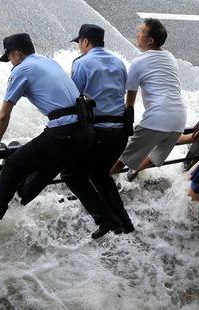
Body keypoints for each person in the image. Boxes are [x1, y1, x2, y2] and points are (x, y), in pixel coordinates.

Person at [0, 33, 93, 238]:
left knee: (13, 165)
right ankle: (18, 199)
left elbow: (4, 113)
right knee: (50, 164)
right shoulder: (48, 61)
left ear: (16, 54)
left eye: (9, 57)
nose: (10, 62)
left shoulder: (22, 69)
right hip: (85, 130)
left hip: (64, 131)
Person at [62, 24, 134, 238]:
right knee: (100, 174)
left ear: (85, 42)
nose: (79, 48)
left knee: (72, 175)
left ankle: (106, 220)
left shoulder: (82, 63)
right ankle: (123, 223)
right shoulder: (120, 63)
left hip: (99, 132)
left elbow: (73, 97)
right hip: (120, 132)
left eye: (79, 44)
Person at [110, 18, 186, 180]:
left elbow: (129, 100)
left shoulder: (139, 62)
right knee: (156, 154)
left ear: (150, 40)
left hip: (158, 118)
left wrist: (124, 121)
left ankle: (97, 182)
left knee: (123, 158)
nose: (137, 34)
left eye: (141, 31)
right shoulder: (170, 57)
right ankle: (133, 174)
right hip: (179, 120)